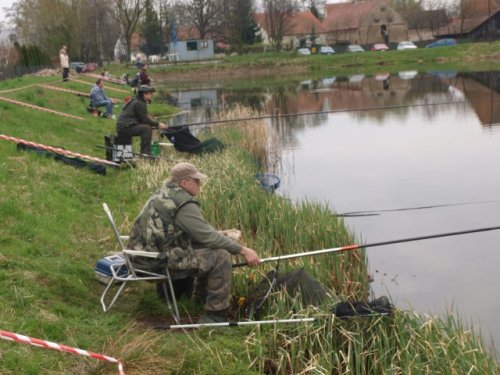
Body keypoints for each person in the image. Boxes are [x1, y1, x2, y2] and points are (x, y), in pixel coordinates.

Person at [128, 162, 260, 323]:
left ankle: (201, 298)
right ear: (184, 183)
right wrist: (243, 250)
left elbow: (196, 232)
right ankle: (216, 314)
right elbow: (208, 237)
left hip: (140, 256)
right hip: (154, 263)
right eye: (196, 181)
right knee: (221, 256)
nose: (200, 184)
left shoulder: (164, 193)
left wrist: (219, 234)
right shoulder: (183, 202)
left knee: (210, 247)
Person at [115, 85, 167, 155]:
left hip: (124, 126)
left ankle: (144, 153)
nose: (152, 95)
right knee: (146, 128)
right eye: (150, 93)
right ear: (144, 94)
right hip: (125, 127)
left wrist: (153, 125)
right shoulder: (140, 103)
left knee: (146, 127)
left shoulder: (136, 100)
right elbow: (145, 120)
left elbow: (141, 119)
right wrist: (158, 124)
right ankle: (146, 154)